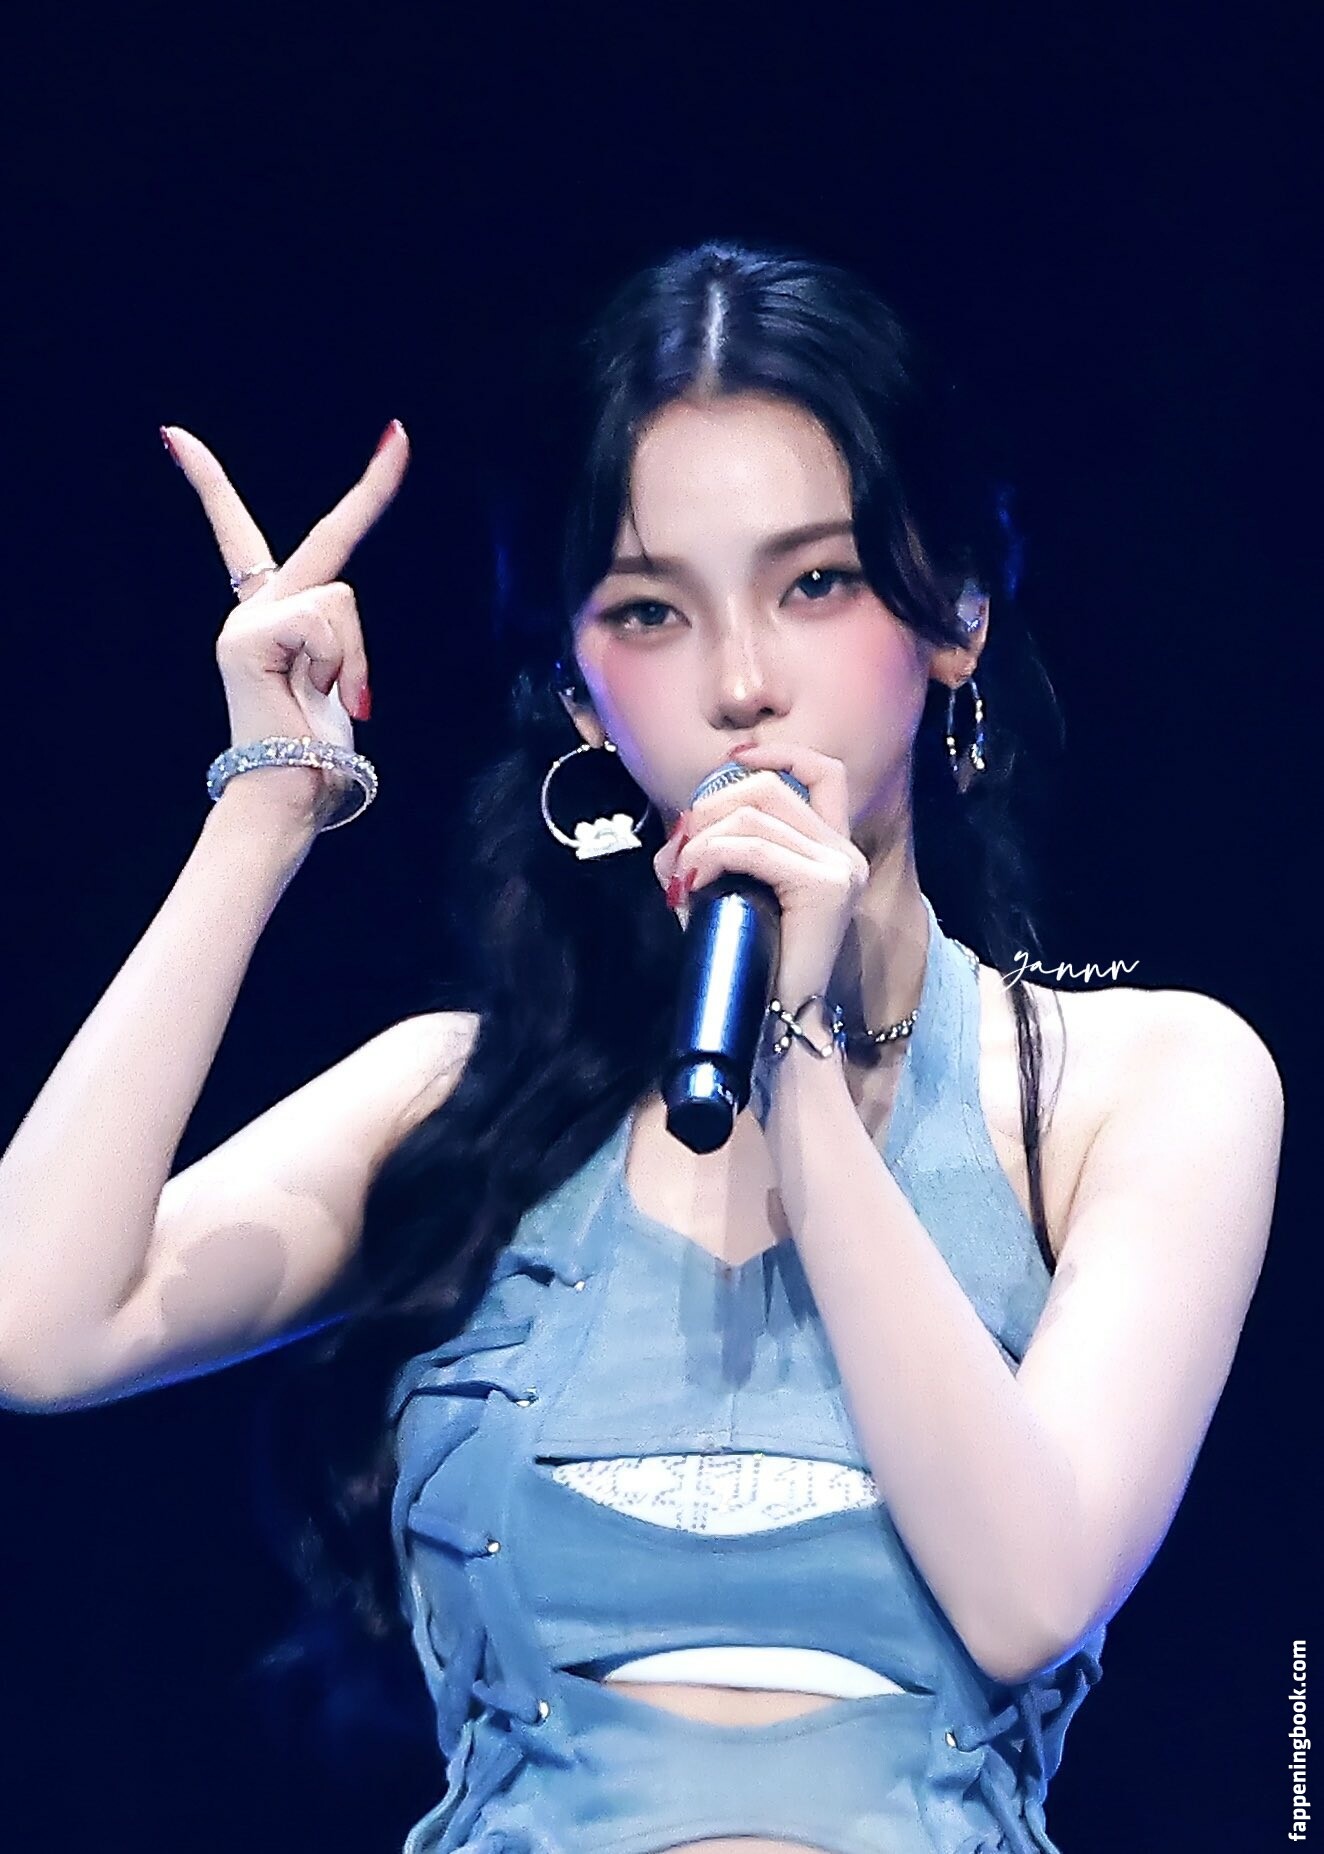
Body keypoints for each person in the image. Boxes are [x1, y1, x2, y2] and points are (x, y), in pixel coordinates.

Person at [0, 240, 1284, 1854]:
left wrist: (791, 1055)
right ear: (581, 695)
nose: (742, 683)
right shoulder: (464, 1103)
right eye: (652, 610)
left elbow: (1031, 1590)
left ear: (955, 610)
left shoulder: (1139, 1088)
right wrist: (265, 806)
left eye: (814, 583)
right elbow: (35, 1321)